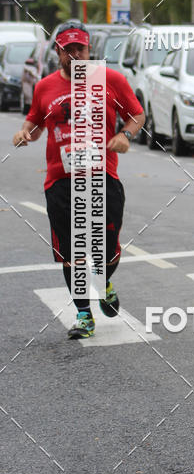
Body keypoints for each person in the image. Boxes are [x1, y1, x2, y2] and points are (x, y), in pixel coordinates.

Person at [12, 20, 145, 339]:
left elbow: (136, 114)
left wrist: (125, 135)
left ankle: (104, 282)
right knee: (71, 253)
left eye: (79, 48)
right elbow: (34, 121)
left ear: (89, 50)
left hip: (103, 177)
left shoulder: (110, 79)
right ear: (58, 51)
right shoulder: (45, 87)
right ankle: (84, 314)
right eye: (67, 49)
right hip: (60, 181)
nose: (74, 54)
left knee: (107, 251)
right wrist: (24, 133)